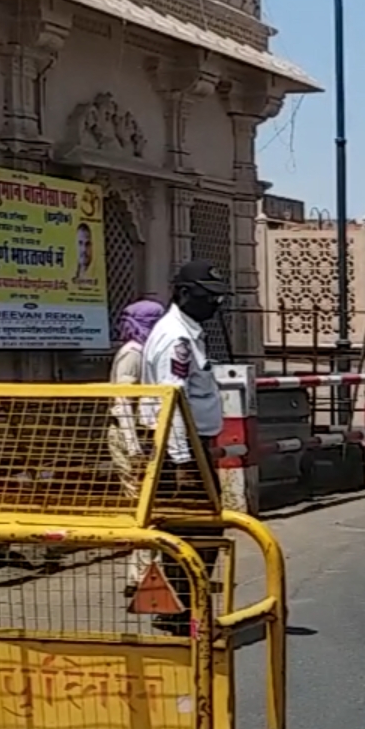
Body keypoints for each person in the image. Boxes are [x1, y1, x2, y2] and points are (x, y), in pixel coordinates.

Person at [137, 261, 232, 636]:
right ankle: (183, 614)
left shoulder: (189, 333)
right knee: (199, 532)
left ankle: (182, 610)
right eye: (209, 297)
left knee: (192, 532)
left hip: (190, 448)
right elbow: (170, 402)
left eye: (219, 297)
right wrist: (182, 461)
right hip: (181, 452)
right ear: (184, 294)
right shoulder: (176, 338)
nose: (216, 305)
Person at [110, 298, 168, 592]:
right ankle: (141, 574)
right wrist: (133, 447)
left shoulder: (148, 352)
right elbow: (122, 401)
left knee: (148, 507)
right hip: (128, 435)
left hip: (145, 435)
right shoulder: (132, 353)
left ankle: (143, 572)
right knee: (141, 506)